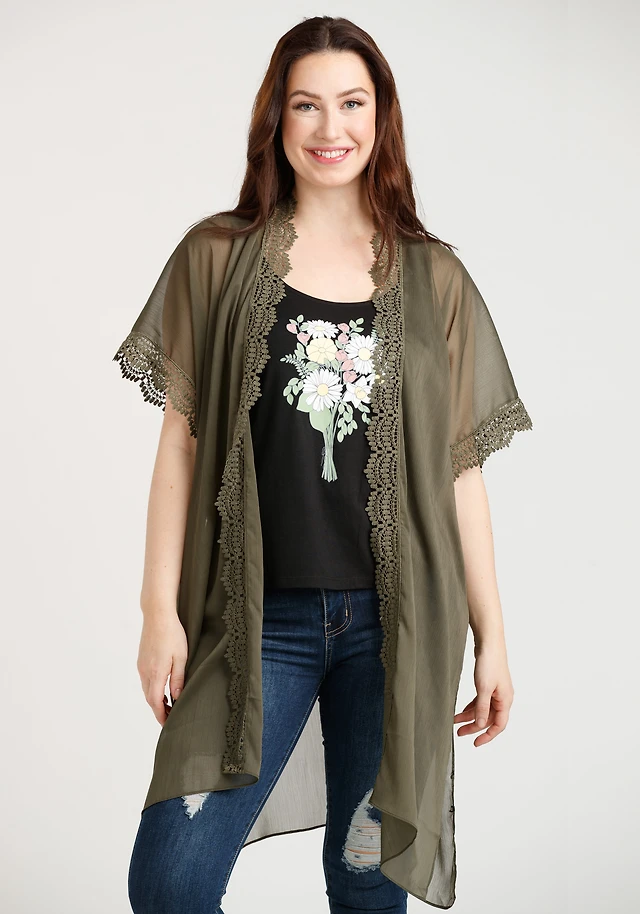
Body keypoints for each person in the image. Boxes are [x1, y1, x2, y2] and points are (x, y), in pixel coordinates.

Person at [114, 16, 533, 914]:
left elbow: (461, 472)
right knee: (172, 880)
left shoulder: (435, 279)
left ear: (381, 117)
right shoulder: (216, 258)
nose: (329, 127)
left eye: (351, 103)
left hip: (398, 631)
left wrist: (494, 635)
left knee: (366, 884)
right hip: (255, 619)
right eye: (306, 105)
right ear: (277, 118)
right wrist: (157, 612)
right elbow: (181, 444)